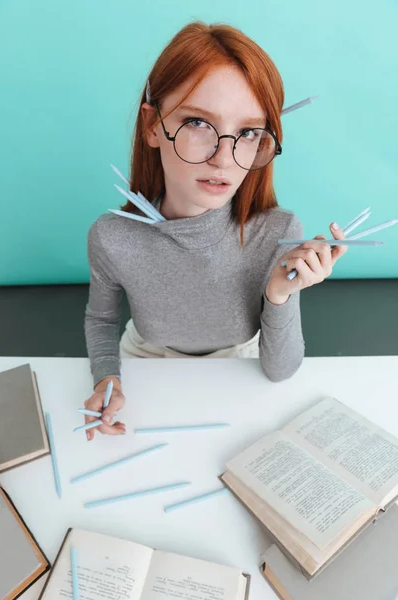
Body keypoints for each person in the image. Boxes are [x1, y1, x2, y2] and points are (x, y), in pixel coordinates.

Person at [83, 21, 347, 440]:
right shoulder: (112, 237)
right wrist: (106, 380)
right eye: (197, 124)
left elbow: (280, 372)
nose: (224, 159)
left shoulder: (278, 232)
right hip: (144, 363)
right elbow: (101, 319)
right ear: (153, 125)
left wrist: (279, 293)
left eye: (247, 133)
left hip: (239, 364)